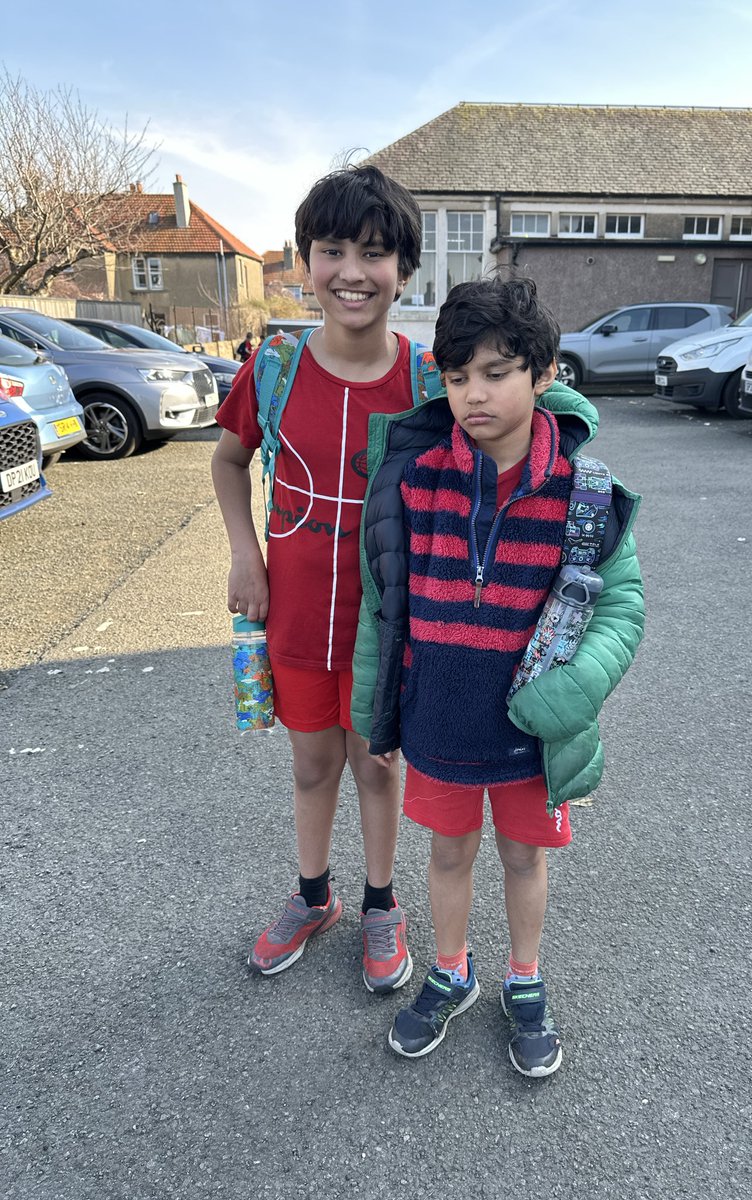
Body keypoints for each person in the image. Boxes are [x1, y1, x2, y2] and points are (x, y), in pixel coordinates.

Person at [351, 276, 644, 1076]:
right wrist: (376, 718)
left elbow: (622, 610)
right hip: (439, 721)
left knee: (523, 859)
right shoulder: (412, 483)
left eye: (495, 372)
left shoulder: (587, 494)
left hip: (529, 731)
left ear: (543, 372)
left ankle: (524, 978)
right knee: (447, 857)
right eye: (455, 377)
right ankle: (452, 971)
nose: (472, 394)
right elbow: (385, 610)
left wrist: (574, 691)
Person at [211, 165, 424, 993]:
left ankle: (380, 903)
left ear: (403, 269)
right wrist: (243, 555)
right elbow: (230, 463)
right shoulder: (273, 367)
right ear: (304, 263)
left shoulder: (431, 380)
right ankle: (313, 897)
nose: (351, 272)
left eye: (373, 253)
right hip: (295, 616)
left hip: (386, 625)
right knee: (311, 766)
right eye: (330, 250)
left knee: (375, 765)